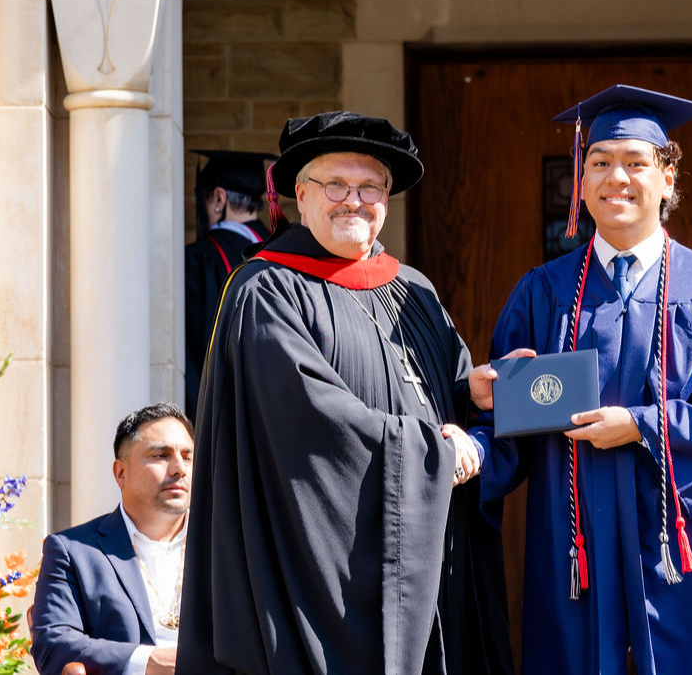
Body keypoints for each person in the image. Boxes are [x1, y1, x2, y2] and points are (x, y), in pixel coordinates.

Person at [177, 111, 512, 675]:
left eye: (370, 187)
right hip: (323, 580)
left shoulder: (414, 290)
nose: (352, 200)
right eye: (335, 184)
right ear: (300, 198)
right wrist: (436, 454)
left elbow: (436, 395)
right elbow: (311, 423)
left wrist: (469, 392)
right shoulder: (266, 291)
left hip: (428, 562)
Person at [470, 85, 692, 674]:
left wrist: (638, 426)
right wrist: (469, 434)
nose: (617, 178)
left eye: (636, 163)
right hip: (575, 548)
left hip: (682, 551)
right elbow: (504, 431)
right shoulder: (543, 294)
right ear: (580, 185)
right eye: (600, 163)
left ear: (667, 178)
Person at [30, 402, 195, 675]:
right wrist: (150, 663)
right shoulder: (73, 551)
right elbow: (54, 643)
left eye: (187, 457)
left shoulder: (228, 549)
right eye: (160, 455)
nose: (179, 468)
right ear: (121, 473)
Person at [185, 150, 276, 415]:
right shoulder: (286, 254)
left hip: (223, 415)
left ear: (218, 198)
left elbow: (194, 360)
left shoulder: (200, 260)